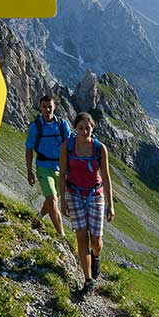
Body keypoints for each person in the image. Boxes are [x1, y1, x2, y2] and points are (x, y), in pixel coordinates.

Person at [59, 112, 115, 292]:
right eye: (80, 128)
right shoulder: (67, 146)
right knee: (81, 237)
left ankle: (96, 257)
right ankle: (88, 280)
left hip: (95, 195)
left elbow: (106, 177)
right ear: (75, 128)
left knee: (96, 241)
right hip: (74, 194)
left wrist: (110, 205)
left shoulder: (100, 149)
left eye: (87, 128)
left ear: (93, 128)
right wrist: (63, 200)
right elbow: (62, 174)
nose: (84, 131)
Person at [25, 95, 69, 235]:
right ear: (40, 107)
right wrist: (29, 172)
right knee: (53, 201)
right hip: (43, 167)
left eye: (50, 106)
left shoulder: (62, 125)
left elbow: (69, 147)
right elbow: (29, 150)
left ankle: (38, 217)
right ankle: (61, 235)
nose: (47, 110)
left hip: (61, 169)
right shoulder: (35, 127)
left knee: (52, 198)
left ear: (54, 107)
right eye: (44, 107)